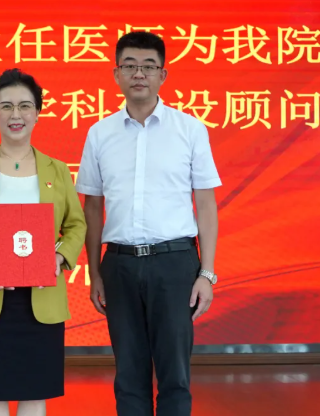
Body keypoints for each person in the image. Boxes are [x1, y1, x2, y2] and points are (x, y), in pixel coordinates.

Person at [76, 31, 221, 416]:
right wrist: (94, 272)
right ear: (116, 74)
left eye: (148, 66)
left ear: (163, 75)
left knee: (175, 375)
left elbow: (206, 205)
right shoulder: (99, 134)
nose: (138, 74)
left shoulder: (190, 130)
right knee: (129, 374)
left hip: (174, 264)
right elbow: (93, 208)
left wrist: (207, 274)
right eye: (129, 66)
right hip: (119, 264)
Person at [0, 68, 86, 416]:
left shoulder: (57, 169)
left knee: (35, 394)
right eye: (6, 106)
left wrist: (57, 258)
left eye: (25, 105)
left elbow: (76, 225)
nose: (15, 114)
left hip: (42, 297)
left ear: (37, 112)